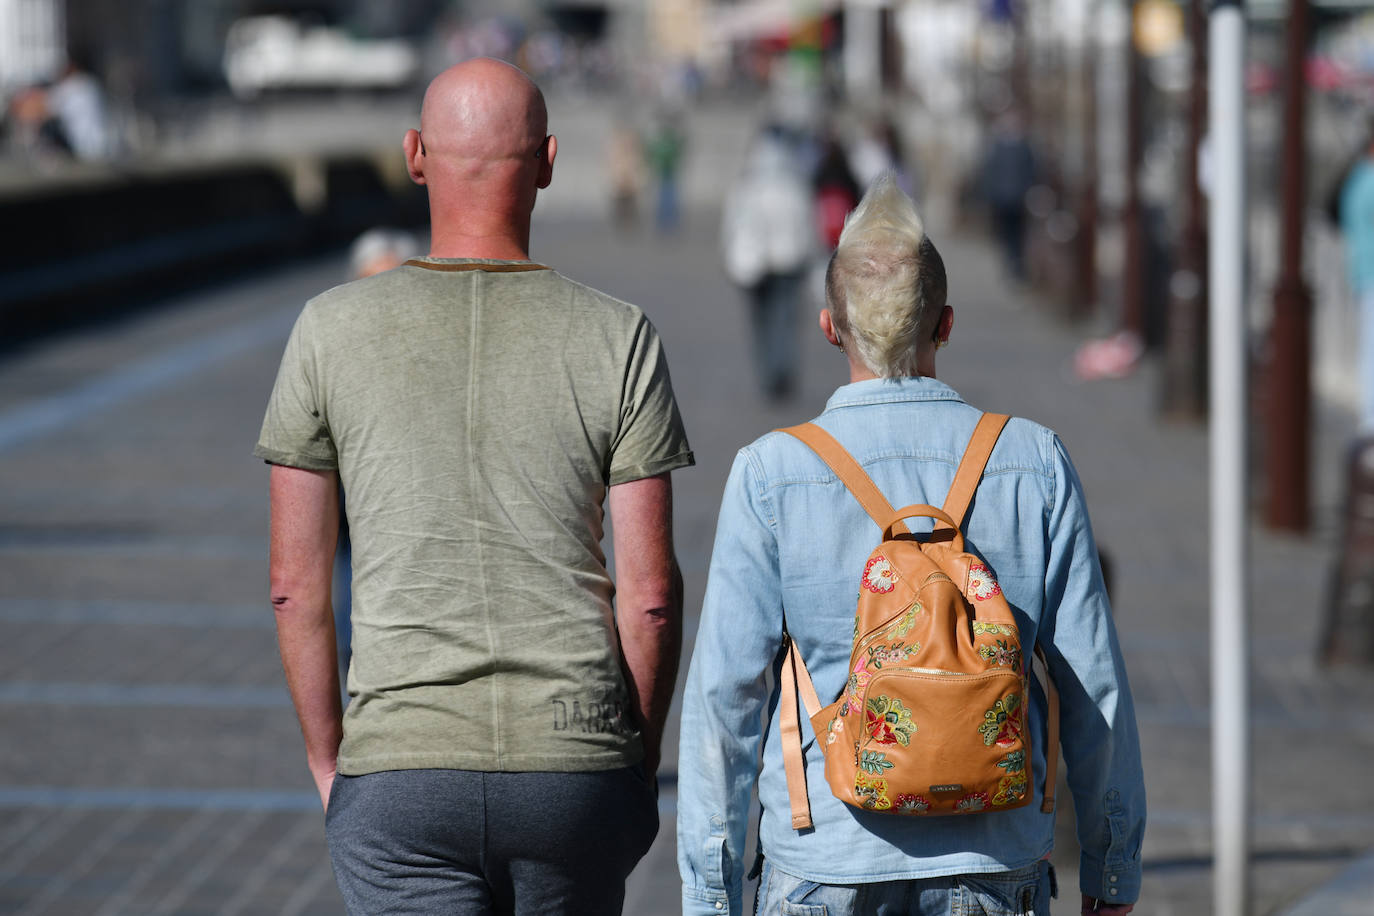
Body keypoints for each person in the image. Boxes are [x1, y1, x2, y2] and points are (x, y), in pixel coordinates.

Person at [256, 58, 694, 915]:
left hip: (400, 766)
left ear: (416, 156)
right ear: (551, 161)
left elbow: (294, 586)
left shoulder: (328, 329)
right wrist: (633, 764)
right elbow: (649, 597)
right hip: (573, 761)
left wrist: (328, 761)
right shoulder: (621, 336)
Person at [678, 174, 1144, 915]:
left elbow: (726, 698)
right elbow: (1094, 686)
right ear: (946, 324)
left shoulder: (774, 473)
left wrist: (709, 892)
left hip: (825, 857)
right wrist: (1112, 867)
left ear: (831, 327)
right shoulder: (1033, 459)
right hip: (995, 858)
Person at [720, 128, 816, 401]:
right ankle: (781, 370)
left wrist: (730, 256)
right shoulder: (795, 187)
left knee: (761, 322)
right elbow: (808, 226)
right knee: (786, 320)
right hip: (790, 261)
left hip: (756, 264)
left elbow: (731, 227)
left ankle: (768, 373)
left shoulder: (746, 188)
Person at [1340, 126, 1374, 433]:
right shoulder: (1369, 182)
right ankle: (1370, 419)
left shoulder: (1356, 180)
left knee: (1368, 348)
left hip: (1362, 272)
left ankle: (1368, 417)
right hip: (1370, 273)